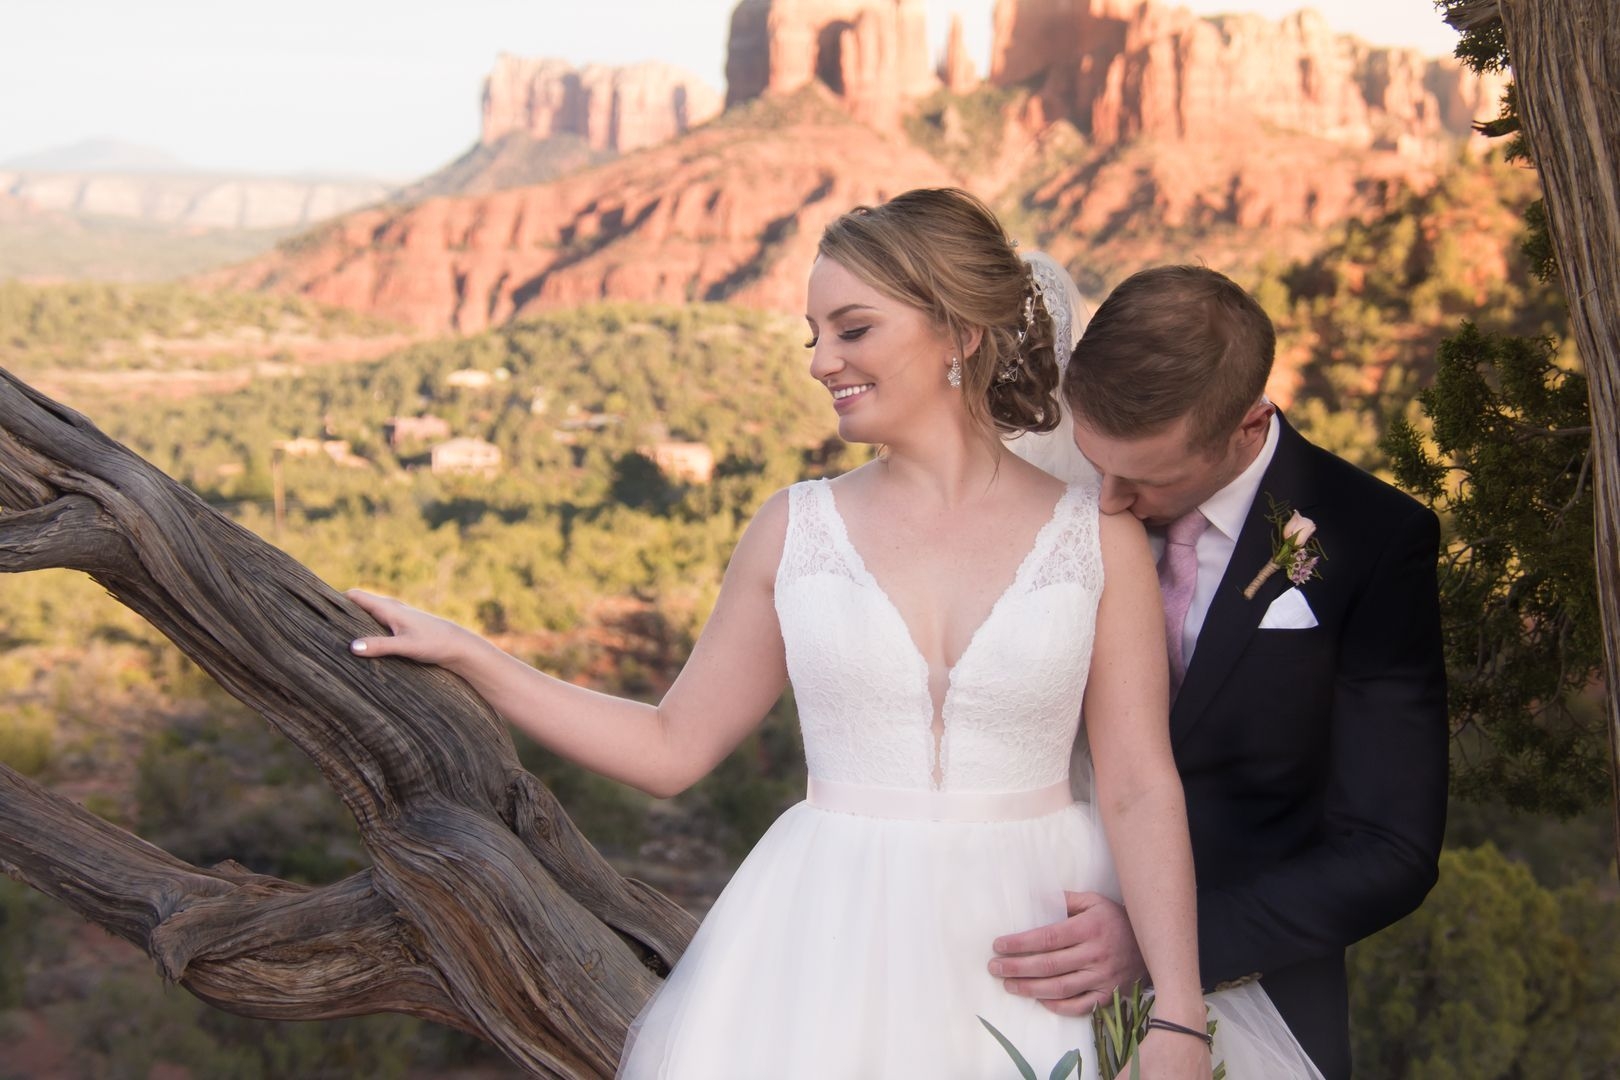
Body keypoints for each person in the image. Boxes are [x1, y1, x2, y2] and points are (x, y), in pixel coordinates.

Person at [346, 191, 1318, 1078]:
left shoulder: (1096, 534)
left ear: (961, 335)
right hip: (825, 942)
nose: (822, 363)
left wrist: (1179, 1018)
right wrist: (472, 654)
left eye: (853, 329)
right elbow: (670, 747)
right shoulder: (792, 529)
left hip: (1048, 943)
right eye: (813, 335)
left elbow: (1142, 783)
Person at [991, 265, 1448, 1079]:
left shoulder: (1374, 541)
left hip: (1252, 987)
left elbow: (1390, 849)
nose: (1109, 500)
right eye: (1098, 463)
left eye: (1150, 479)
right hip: (1026, 955)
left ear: (1249, 423)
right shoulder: (1048, 501)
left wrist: (1167, 946)